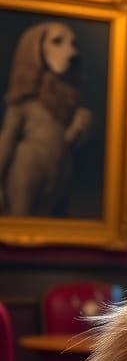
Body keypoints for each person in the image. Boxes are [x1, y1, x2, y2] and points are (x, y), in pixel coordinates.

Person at [0, 22, 92, 217]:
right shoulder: (23, 99)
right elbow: (7, 138)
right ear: (35, 49)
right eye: (57, 42)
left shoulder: (70, 97)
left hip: (61, 170)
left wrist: (76, 130)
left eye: (73, 44)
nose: (71, 52)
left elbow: (61, 142)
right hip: (27, 169)